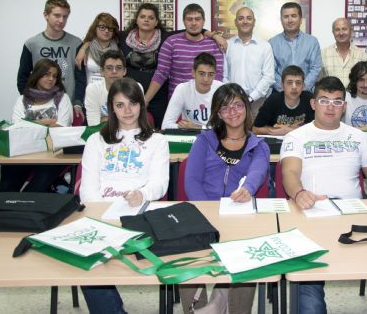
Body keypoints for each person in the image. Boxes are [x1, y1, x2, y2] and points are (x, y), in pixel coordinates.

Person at [281, 76, 367, 314]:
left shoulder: (359, 137)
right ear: (313, 103)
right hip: (311, 213)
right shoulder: (297, 137)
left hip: (352, 214)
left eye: (337, 102)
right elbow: (290, 173)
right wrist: (299, 193)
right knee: (309, 288)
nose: (330, 107)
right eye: (324, 100)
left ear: (344, 107)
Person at [79, 77, 169, 314]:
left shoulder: (157, 141)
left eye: (132, 103)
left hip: (139, 214)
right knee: (88, 259)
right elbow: (87, 189)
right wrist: (102, 217)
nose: (127, 110)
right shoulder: (95, 141)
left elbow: (160, 184)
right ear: (111, 108)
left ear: (141, 105)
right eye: (120, 105)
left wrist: (142, 193)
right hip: (101, 215)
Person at [185, 83, 270, 314]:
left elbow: (257, 172)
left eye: (237, 105)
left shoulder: (258, 145)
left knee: (247, 256)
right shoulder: (204, 140)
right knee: (186, 255)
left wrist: (248, 189)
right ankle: (199, 308)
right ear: (217, 114)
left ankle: (230, 306)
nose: (232, 112)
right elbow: (191, 180)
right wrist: (209, 213)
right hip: (203, 213)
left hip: (239, 214)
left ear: (246, 107)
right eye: (225, 108)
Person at [0, 59, 74, 192]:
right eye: (46, 74)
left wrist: (30, 123)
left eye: (54, 76)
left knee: (36, 188)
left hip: (54, 153)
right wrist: (49, 122)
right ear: (37, 75)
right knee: (7, 183)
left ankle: (23, 207)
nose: (51, 79)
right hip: (24, 151)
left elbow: (62, 129)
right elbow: (17, 128)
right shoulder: (22, 100)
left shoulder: (63, 98)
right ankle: (6, 208)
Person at [16, 0, 85, 120]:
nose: (61, 20)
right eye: (57, 15)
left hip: (67, 104)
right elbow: (23, 77)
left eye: (65, 16)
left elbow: (81, 77)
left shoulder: (76, 43)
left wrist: (78, 102)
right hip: (39, 107)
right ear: (46, 15)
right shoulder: (32, 44)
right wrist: (30, 101)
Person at [144, 3, 225, 105]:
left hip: (206, 103)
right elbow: (161, 74)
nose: (194, 23)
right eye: (189, 19)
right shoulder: (171, 42)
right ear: (184, 22)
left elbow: (218, 75)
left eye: (198, 19)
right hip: (178, 103)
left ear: (204, 21)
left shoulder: (214, 44)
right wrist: (146, 100)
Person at [119, 3, 172, 127]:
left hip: (158, 96)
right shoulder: (123, 37)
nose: (146, 20)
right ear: (136, 20)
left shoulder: (166, 38)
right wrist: (84, 47)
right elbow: (100, 33)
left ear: (156, 21)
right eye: (142, 16)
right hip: (130, 94)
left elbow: (190, 30)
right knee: (130, 129)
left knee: (160, 130)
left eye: (151, 17)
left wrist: (212, 35)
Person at [223, 7, 274, 118]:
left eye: (249, 18)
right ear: (235, 22)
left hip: (258, 103)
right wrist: (234, 98)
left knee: (257, 134)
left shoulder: (265, 46)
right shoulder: (228, 45)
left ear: (254, 22)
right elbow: (224, 76)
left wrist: (251, 98)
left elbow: (269, 77)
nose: (245, 21)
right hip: (232, 103)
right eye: (241, 18)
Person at [161, 52, 223, 130]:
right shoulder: (182, 89)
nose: (206, 79)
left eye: (210, 74)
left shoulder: (221, 89)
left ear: (215, 75)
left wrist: (197, 128)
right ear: (193, 73)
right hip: (190, 137)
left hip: (215, 137)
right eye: (201, 74)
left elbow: (226, 127)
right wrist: (186, 128)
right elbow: (165, 125)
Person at [269, 2, 321, 92]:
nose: (290, 20)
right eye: (286, 17)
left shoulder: (312, 42)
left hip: (306, 93)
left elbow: (315, 69)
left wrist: (301, 88)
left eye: (293, 16)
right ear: (281, 20)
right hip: (280, 93)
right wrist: (285, 89)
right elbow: (271, 71)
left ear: (300, 19)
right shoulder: (272, 43)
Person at [253, 65, 314, 136]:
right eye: (289, 82)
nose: (294, 87)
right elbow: (255, 129)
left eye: (298, 83)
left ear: (303, 86)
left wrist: (289, 130)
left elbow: (317, 128)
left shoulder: (309, 99)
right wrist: (275, 131)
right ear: (282, 85)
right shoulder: (273, 100)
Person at [84, 50, 127, 126]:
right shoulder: (93, 89)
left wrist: (106, 120)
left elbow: (134, 123)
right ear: (102, 71)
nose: (114, 71)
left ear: (124, 71)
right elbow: (94, 126)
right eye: (109, 68)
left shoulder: (136, 88)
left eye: (119, 68)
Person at [320, 17, 367, 87]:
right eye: (337, 30)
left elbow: (365, 81)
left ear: (351, 31)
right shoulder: (323, 54)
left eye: (344, 29)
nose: (341, 33)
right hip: (331, 97)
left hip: (354, 96)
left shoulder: (362, 55)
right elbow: (320, 82)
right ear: (333, 32)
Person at [77, 13, 121, 85]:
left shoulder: (119, 48)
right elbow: (79, 76)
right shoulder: (85, 48)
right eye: (102, 27)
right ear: (95, 29)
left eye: (110, 28)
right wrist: (83, 47)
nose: (106, 31)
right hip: (89, 92)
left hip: (111, 92)